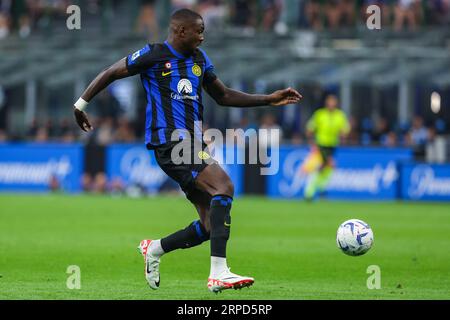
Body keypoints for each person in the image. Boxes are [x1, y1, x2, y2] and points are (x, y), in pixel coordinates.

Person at [72, 8, 302, 293]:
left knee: (208, 227)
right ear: (181, 31)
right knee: (224, 185)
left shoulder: (199, 60)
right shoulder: (154, 54)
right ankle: (219, 272)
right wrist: (81, 105)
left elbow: (224, 95)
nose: (203, 37)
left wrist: (268, 99)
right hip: (170, 142)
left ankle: (155, 249)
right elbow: (111, 73)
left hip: (193, 144)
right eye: (199, 31)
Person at [303, 94, 349, 200]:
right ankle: (312, 191)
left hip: (332, 145)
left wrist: (343, 135)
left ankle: (316, 190)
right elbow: (310, 128)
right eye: (330, 101)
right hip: (321, 144)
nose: (331, 104)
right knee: (329, 165)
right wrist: (312, 142)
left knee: (325, 168)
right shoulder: (320, 114)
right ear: (326, 103)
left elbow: (345, 129)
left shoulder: (340, 115)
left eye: (333, 102)